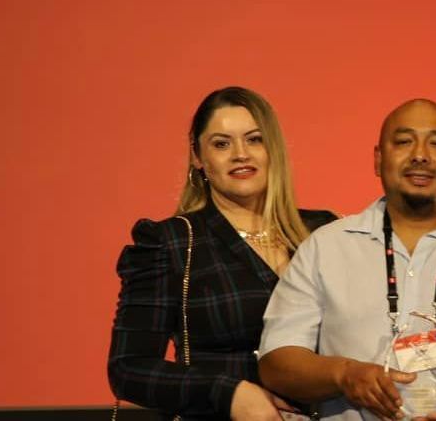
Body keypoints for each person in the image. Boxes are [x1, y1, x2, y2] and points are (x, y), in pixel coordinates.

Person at [257, 98, 436, 420]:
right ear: (377, 158)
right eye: (404, 142)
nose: (420, 155)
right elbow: (277, 360)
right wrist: (344, 374)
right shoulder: (325, 248)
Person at [108, 86, 337, 420]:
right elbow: (128, 369)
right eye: (221, 144)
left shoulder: (324, 232)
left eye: (254, 139)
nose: (240, 154)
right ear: (199, 157)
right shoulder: (171, 243)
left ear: (273, 148)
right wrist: (228, 393)